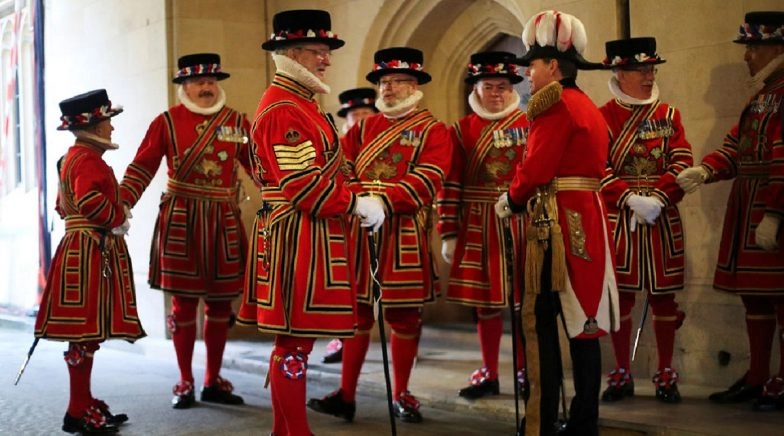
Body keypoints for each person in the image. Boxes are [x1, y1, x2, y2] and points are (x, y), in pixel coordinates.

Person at [236, 9, 385, 436]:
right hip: (297, 235)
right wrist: (355, 203)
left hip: (310, 234)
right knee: (295, 343)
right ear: (292, 52)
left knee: (296, 343)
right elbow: (304, 187)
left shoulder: (301, 104)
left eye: (326, 52)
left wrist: (357, 193)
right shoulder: (285, 108)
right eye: (318, 51)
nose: (326, 60)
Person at [307, 46, 451, 424]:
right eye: (384, 82)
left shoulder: (432, 130)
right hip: (359, 229)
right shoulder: (364, 128)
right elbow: (341, 166)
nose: (388, 89)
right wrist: (356, 198)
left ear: (415, 85)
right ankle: (347, 394)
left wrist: (386, 201)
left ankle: (402, 393)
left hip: (402, 230)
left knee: (404, 318)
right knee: (356, 316)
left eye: (397, 81)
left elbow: (429, 178)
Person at [495, 10, 619, 436]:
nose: (528, 73)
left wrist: (511, 199)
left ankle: (543, 420)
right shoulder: (586, 103)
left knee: (543, 322)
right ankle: (585, 417)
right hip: (587, 213)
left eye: (532, 65)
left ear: (552, 66)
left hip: (558, 223)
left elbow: (535, 169)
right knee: (585, 324)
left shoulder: (554, 104)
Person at [119, 52, 250, 409]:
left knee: (222, 303)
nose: (207, 87)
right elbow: (142, 166)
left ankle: (212, 379)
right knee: (182, 305)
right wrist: (121, 203)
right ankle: (185, 380)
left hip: (224, 218)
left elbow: (260, 168)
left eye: (211, 81)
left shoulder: (237, 122)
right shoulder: (166, 122)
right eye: (199, 82)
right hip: (181, 219)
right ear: (184, 86)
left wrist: (287, 196)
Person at [677, 11, 784, 411]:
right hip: (749, 202)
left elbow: (781, 157)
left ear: (777, 47)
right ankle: (757, 377)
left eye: (754, 47)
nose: (748, 56)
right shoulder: (762, 92)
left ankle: (780, 381)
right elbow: (738, 145)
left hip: (771, 204)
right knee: (755, 298)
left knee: (781, 298)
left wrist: (775, 213)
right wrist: (706, 170)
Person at [35, 89, 145, 434]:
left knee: (85, 335)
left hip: (81, 248)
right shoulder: (88, 160)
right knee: (84, 333)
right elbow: (90, 203)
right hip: (89, 252)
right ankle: (77, 409)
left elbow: (60, 205)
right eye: (108, 120)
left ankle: (81, 401)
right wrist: (117, 215)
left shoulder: (73, 157)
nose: (112, 127)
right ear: (93, 125)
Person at [598, 37, 693, 404]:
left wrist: (660, 196)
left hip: (661, 216)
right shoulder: (602, 115)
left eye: (651, 69)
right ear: (619, 73)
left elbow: (682, 159)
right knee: (621, 298)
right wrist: (628, 197)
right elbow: (596, 166)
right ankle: (621, 370)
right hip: (621, 219)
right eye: (641, 70)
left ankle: (665, 371)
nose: (649, 76)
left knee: (663, 297)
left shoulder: (669, 115)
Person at [437, 50, 528, 400]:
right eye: (488, 85)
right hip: (478, 222)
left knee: (524, 302)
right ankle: (489, 371)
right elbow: (451, 182)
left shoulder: (529, 124)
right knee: (485, 305)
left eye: (502, 86)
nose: (496, 93)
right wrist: (448, 231)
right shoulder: (460, 130)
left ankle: (524, 372)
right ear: (475, 89)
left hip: (522, 221)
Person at [322, 86, 380, 365]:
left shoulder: (382, 145)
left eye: (366, 114)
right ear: (346, 120)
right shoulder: (337, 148)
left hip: (377, 225)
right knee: (342, 288)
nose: (360, 120)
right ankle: (341, 337)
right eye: (355, 115)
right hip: (343, 225)